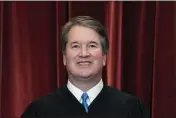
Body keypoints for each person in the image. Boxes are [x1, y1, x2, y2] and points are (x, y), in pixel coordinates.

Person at [21, 16, 149, 118]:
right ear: (64, 58)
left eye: (92, 45)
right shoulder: (39, 111)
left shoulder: (131, 109)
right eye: (75, 46)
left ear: (104, 57)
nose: (84, 54)